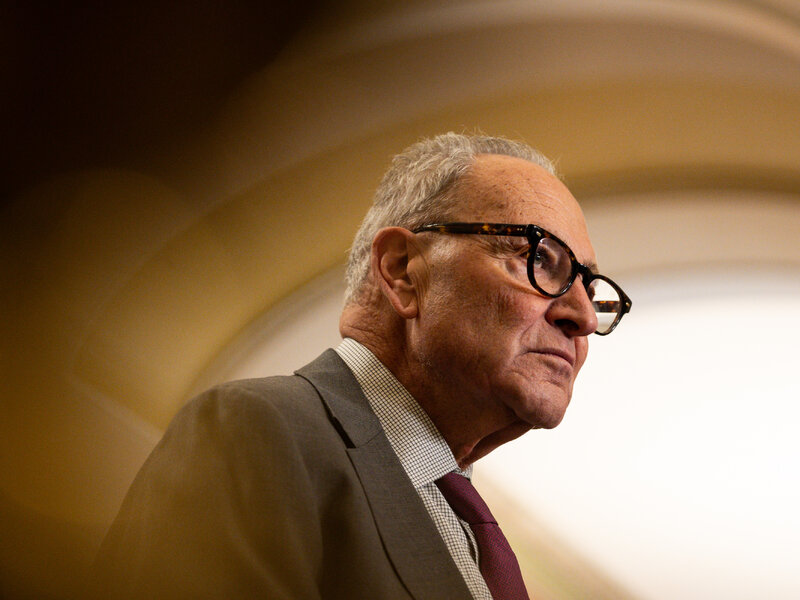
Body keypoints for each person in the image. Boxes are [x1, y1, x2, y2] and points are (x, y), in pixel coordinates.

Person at [92, 133, 631, 599]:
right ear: (402, 271)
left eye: (590, 287)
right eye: (538, 258)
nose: (584, 316)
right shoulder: (255, 432)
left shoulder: (461, 524)